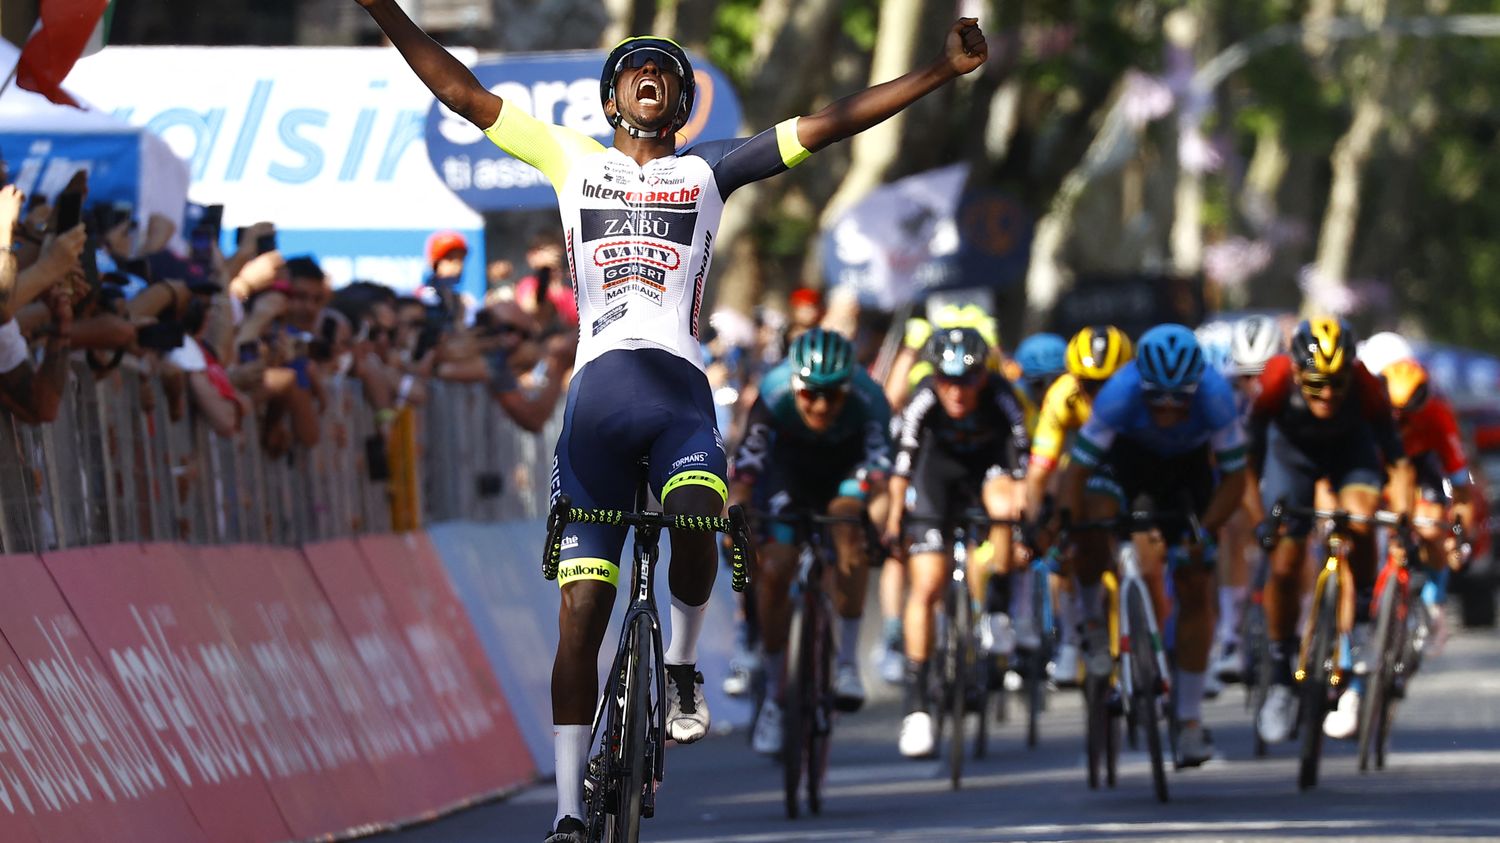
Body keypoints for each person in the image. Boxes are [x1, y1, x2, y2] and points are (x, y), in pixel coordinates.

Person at [353, 2, 988, 837]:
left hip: (679, 395)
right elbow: (460, 91)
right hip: (597, 405)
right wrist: (383, 10)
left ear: (681, 106)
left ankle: (682, 665)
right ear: (613, 97)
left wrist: (939, 72)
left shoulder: (710, 172)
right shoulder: (569, 159)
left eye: (667, 74)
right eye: (634, 70)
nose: (651, 77)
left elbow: (830, 123)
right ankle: (571, 808)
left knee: (696, 512)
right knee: (581, 612)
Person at [1059, 324, 1248, 767]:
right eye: (1156, 397)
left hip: (1187, 474)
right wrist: (1069, 524)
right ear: (1141, 384)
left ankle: (1188, 722)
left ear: (1195, 388)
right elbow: (1077, 471)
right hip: (1127, 463)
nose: (1166, 409)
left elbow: (1236, 479)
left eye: (1178, 398)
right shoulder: (1119, 394)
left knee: (1195, 581)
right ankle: (1090, 625)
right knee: (1092, 519)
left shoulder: (1216, 398)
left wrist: (1204, 532)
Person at [1247, 317, 1413, 746]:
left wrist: (1404, 519)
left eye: (1337, 384)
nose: (1327, 395)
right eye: (1316, 384)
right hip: (1291, 457)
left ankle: (1358, 621)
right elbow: (1246, 461)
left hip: (1349, 453)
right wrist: (1259, 520)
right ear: (1298, 372)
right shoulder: (1275, 381)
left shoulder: (1365, 386)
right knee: (1285, 559)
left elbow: (1397, 463)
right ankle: (1282, 676)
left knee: (1360, 519)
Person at [728, 328, 889, 754]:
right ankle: (776, 701)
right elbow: (747, 466)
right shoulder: (774, 391)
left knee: (846, 525)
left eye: (832, 395)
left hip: (846, 472)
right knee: (776, 569)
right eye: (810, 395)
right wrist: (735, 515)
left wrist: (881, 517)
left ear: (848, 388)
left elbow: (881, 467)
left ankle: (848, 665)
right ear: (795, 386)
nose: (820, 404)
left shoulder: (870, 398)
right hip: (790, 474)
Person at [883, 327, 1028, 757]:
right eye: (947, 380)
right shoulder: (924, 399)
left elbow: (1023, 478)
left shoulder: (1003, 399)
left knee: (1006, 506)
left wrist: (1023, 525)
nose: (958, 391)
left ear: (985, 375)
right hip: (937, 478)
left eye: (968, 380)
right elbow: (901, 473)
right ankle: (917, 710)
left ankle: (998, 609)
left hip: (989, 471)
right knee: (926, 584)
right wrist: (894, 523)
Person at [1023, 324, 1133, 685]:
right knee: (1071, 534)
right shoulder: (1062, 396)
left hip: (1132, 463)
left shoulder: (1140, 396)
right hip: (1084, 466)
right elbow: (1040, 471)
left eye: (1109, 384)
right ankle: (1077, 632)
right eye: (1090, 384)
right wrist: (1035, 518)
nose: (1099, 394)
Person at [1378, 357, 1473, 655]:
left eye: (1404, 415)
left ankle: (1434, 600)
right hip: (1382, 464)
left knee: (1432, 527)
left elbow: (1461, 485)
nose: (1397, 422)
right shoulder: (1370, 412)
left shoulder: (1438, 415)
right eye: (1390, 413)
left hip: (1422, 465)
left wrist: (1458, 537)